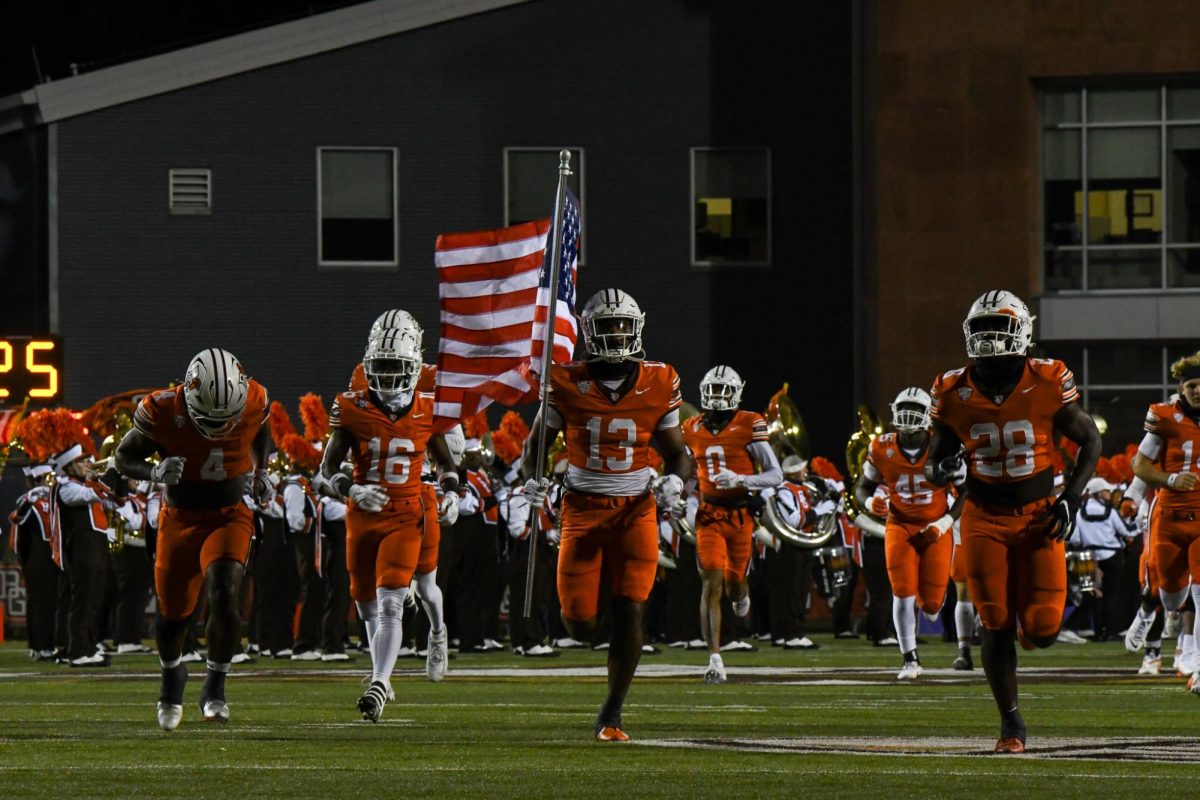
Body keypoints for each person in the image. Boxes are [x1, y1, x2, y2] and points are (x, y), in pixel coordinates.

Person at [926, 290, 1100, 754]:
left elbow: (1090, 438)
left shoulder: (1047, 378)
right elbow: (933, 459)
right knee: (994, 622)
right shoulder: (951, 388)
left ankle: (1030, 630)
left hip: (1040, 516)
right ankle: (1011, 725)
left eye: (997, 328)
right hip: (983, 517)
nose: (988, 339)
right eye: (980, 330)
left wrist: (1072, 497)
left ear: (1021, 330)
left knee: (1042, 631)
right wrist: (940, 469)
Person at [522, 288, 694, 742]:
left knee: (631, 611)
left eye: (623, 325)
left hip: (636, 509)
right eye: (607, 325)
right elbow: (533, 447)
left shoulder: (660, 379)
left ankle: (612, 714)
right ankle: (590, 597)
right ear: (588, 331)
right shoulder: (565, 379)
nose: (617, 333)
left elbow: (677, 454)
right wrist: (533, 478)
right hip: (582, 508)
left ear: (637, 328)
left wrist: (676, 480)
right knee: (579, 623)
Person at [116, 349, 274, 730]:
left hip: (229, 514)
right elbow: (123, 457)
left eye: (227, 419)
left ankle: (215, 687)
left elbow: (261, 430)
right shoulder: (163, 408)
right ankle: (172, 677)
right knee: (172, 617)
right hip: (179, 519)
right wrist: (154, 472)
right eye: (210, 418)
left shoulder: (253, 399)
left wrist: (262, 470)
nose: (220, 427)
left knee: (224, 590)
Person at [318, 328, 459, 722]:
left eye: (397, 367)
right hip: (364, 513)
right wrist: (351, 489)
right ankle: (382, 671)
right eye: (380, 367)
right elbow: (327, 468)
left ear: (415, 365)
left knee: (396, 600)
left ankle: (382, 680)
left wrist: (452, 493)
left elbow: (448, 464)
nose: (388, 376)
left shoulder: (432, 402)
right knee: (366, 607)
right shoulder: (351, 404)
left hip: (409, 509)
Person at [855, 387, 964, 679]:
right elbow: (862, 487)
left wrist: (942, 525)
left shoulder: (943, 444)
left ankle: (926, 602)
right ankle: (910, 660)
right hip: (899, 524)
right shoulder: (881, 446)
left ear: (928, 415)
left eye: (916, 409)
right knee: (901, 592)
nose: (909, 414)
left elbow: (967, 493)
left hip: (935, 527)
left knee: (931, 606)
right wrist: (869, 502)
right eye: (905, 407)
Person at [683, 365, 781, 683]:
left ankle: (742, 594)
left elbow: (775, 474)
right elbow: (684, 471)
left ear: (736, 393)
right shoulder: (690, 428)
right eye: (712, 390)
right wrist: (675, 492)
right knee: (711, 583)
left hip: (740, 515)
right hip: (709, 515)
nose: (717, 397)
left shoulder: (750, 423)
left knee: (735, 582)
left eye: (724, 391)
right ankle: (714, 658)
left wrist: (742, 478)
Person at [1131, 351, 1200, 692]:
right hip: (1170, 516)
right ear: (1182, 388)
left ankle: (1196, 665)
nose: (1198, 390)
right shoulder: (1164, 417)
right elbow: (1139, 466)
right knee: (1171, 598)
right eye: (1192, 385)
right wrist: (1172, 480)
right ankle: (1147, 609)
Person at [1067, 477, 1135, 642]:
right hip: (1112, 556)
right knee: (1112, 595)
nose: (1109, 494)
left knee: (1092, 596)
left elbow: (1074, 539)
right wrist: (1138, 522)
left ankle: (1095, 631)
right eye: (1106, 491)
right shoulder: (1111, 512)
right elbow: (1128, 532)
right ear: (1097, 493)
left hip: (1086, 555)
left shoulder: (1079, 513)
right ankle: (1110, 631)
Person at [9, 464, 59, 660]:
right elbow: (17, 518)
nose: (51, 481)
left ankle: (46, 644)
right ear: (37, 479)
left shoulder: (54, 497)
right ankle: (39, 646)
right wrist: (31, 498)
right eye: (47, 477)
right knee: (39, 603)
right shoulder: (29, 499)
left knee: (49, 603)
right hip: (36, 556)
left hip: (52, 555)